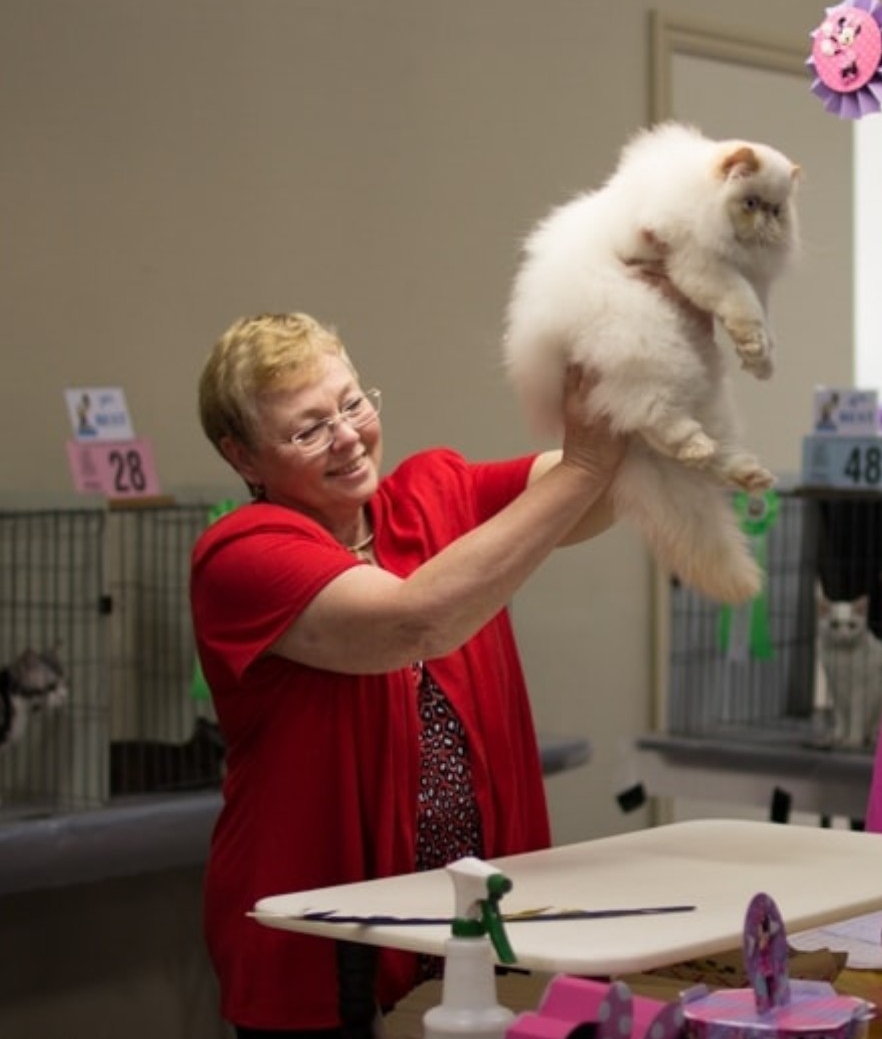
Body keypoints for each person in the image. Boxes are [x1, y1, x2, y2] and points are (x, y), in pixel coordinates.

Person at [191, 311, 626, 1038]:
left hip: (470, 931)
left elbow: (597, 498)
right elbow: (414, 623)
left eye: (353, 403)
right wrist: (585, 464)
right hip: (323, 949)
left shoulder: (433, 493)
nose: (349, 437)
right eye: (308, 429)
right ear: (243, 458)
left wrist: (628, 413)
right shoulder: (240, 553)